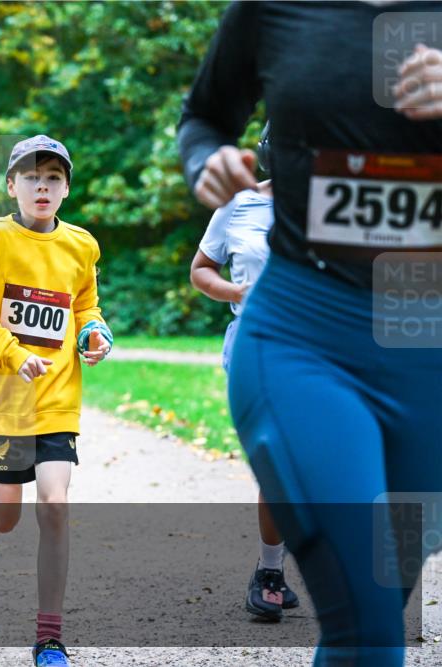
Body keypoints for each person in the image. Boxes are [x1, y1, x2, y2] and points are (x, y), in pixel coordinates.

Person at [178, 4, 442, 665]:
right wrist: (207, 161)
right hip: (305, 331)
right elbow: (205, 116)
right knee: (372, 630)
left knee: (372, 609)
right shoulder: (275, 9)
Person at [0, 135, 112, 667]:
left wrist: (95, 331)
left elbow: (85, 304)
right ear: (11, 185)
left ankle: (49, 637)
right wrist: (11, 354)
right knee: (8, 515)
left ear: (65, 189)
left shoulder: (81, 245)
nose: (43, 185)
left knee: (55, 504)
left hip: (58, 396)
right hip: (1, 398)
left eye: (54, 177)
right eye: (32, 177)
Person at [189, 124, 299, 621]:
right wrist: (236, 293)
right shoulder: (239, 205)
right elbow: (201, 270)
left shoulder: (343, 211)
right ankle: (271, 569)